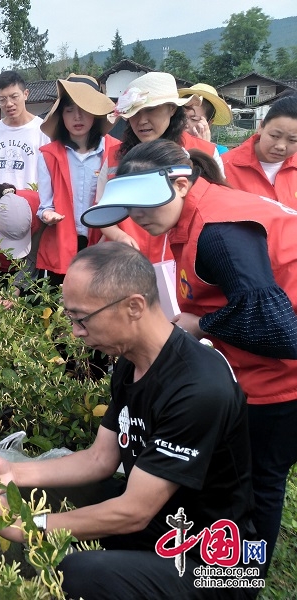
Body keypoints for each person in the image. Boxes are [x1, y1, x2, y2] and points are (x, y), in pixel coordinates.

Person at [0, 242, 258, 600]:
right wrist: (12, 472)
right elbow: (100, 459)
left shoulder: (198, 389)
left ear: (133, 306)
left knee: (80, 575)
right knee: (30, 488)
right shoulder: (130, 362)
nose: (75, 331)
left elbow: (133, 512)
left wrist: (30, 528)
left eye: (82, 318)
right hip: (159, 526)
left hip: (211, 562)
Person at [82, 138, 297, 576]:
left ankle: (237, 577)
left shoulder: (219, 230)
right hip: (248, 372)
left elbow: (279, 329)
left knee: (259, 485)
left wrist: (202, 325)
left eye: (144, 206)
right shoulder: (194, 216)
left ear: (181, 184)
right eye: (130, 209)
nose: (137, 218)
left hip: (280, 384)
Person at [96, 71, 221, 263]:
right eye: (135, 112)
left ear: (172, 108)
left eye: (151, 109)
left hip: (184, 263)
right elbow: (102, 209)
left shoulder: (204, 152)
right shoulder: (114, 156)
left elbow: (214, 212)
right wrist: (119, 236)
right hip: (127, 262)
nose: (142, 120)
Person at [36, 74, 118, 285]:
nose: (77, 117)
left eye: (84, 109)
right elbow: (45, 205)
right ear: (61, 115)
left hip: (102, 241)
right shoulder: (48, 154)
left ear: (95, 113)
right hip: (62, 243)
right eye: (69, 110)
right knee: (60, 307)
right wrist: (48, 214)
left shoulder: (115, 150)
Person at [0, 70, 50, 190]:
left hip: (32, 205)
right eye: (2, 99)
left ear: (26, 94)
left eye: (14, 97)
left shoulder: (44, 131)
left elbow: (52, 176)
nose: (9, 104)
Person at [222, 95, 297, 208]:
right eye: (274, 136)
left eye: (292, 140)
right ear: (261, 127)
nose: (281, 146)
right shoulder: (224, 166)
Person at [178, 83, 233, 153]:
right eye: (181, 116)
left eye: (194, 119)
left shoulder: (220, 152)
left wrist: (204, 148)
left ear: (209, 123)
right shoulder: (168, 145)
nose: (184, 123)